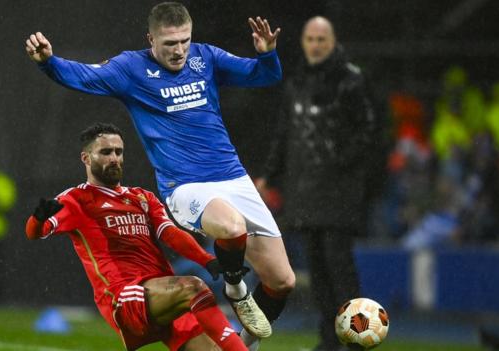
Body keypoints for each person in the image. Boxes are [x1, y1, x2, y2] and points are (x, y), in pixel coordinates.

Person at [25, 2, 295, 348]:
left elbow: (265, 75)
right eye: (170, 43)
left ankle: (247, 343)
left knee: (282, 280)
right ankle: (236, 289)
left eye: (184, 40)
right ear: (150, 38)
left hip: (232, 177)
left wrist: (268, 54)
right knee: (231, 227)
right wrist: (49, 62)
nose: (179, 50)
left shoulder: (205, 57)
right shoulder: (130, 68)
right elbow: (85, 76)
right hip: (184, 185)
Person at [25, 122, 247, 351]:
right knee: (193, 287)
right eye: (105, 152)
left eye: (118, 152)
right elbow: (35, 233)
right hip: (125, 295)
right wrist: (37, 220)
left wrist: (207, 260)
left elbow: (170, 233)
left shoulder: (142, 197)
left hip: (163, 294)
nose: (114, 158)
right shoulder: (76, 199)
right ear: (86, 158)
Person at [254, 17, 385, 351]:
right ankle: (329, 340)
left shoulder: (351, 80)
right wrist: (269, 174)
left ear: (333, 41)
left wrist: (340, 163)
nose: (315, 45)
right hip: (304, 190)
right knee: (318, 270)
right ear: (302, 42)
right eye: (310, 38)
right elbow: (285, 134)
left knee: (339, 267)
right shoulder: (296, 81)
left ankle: (356, 340)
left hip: (339, 191)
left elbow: (371, 131)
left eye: (321, 39)